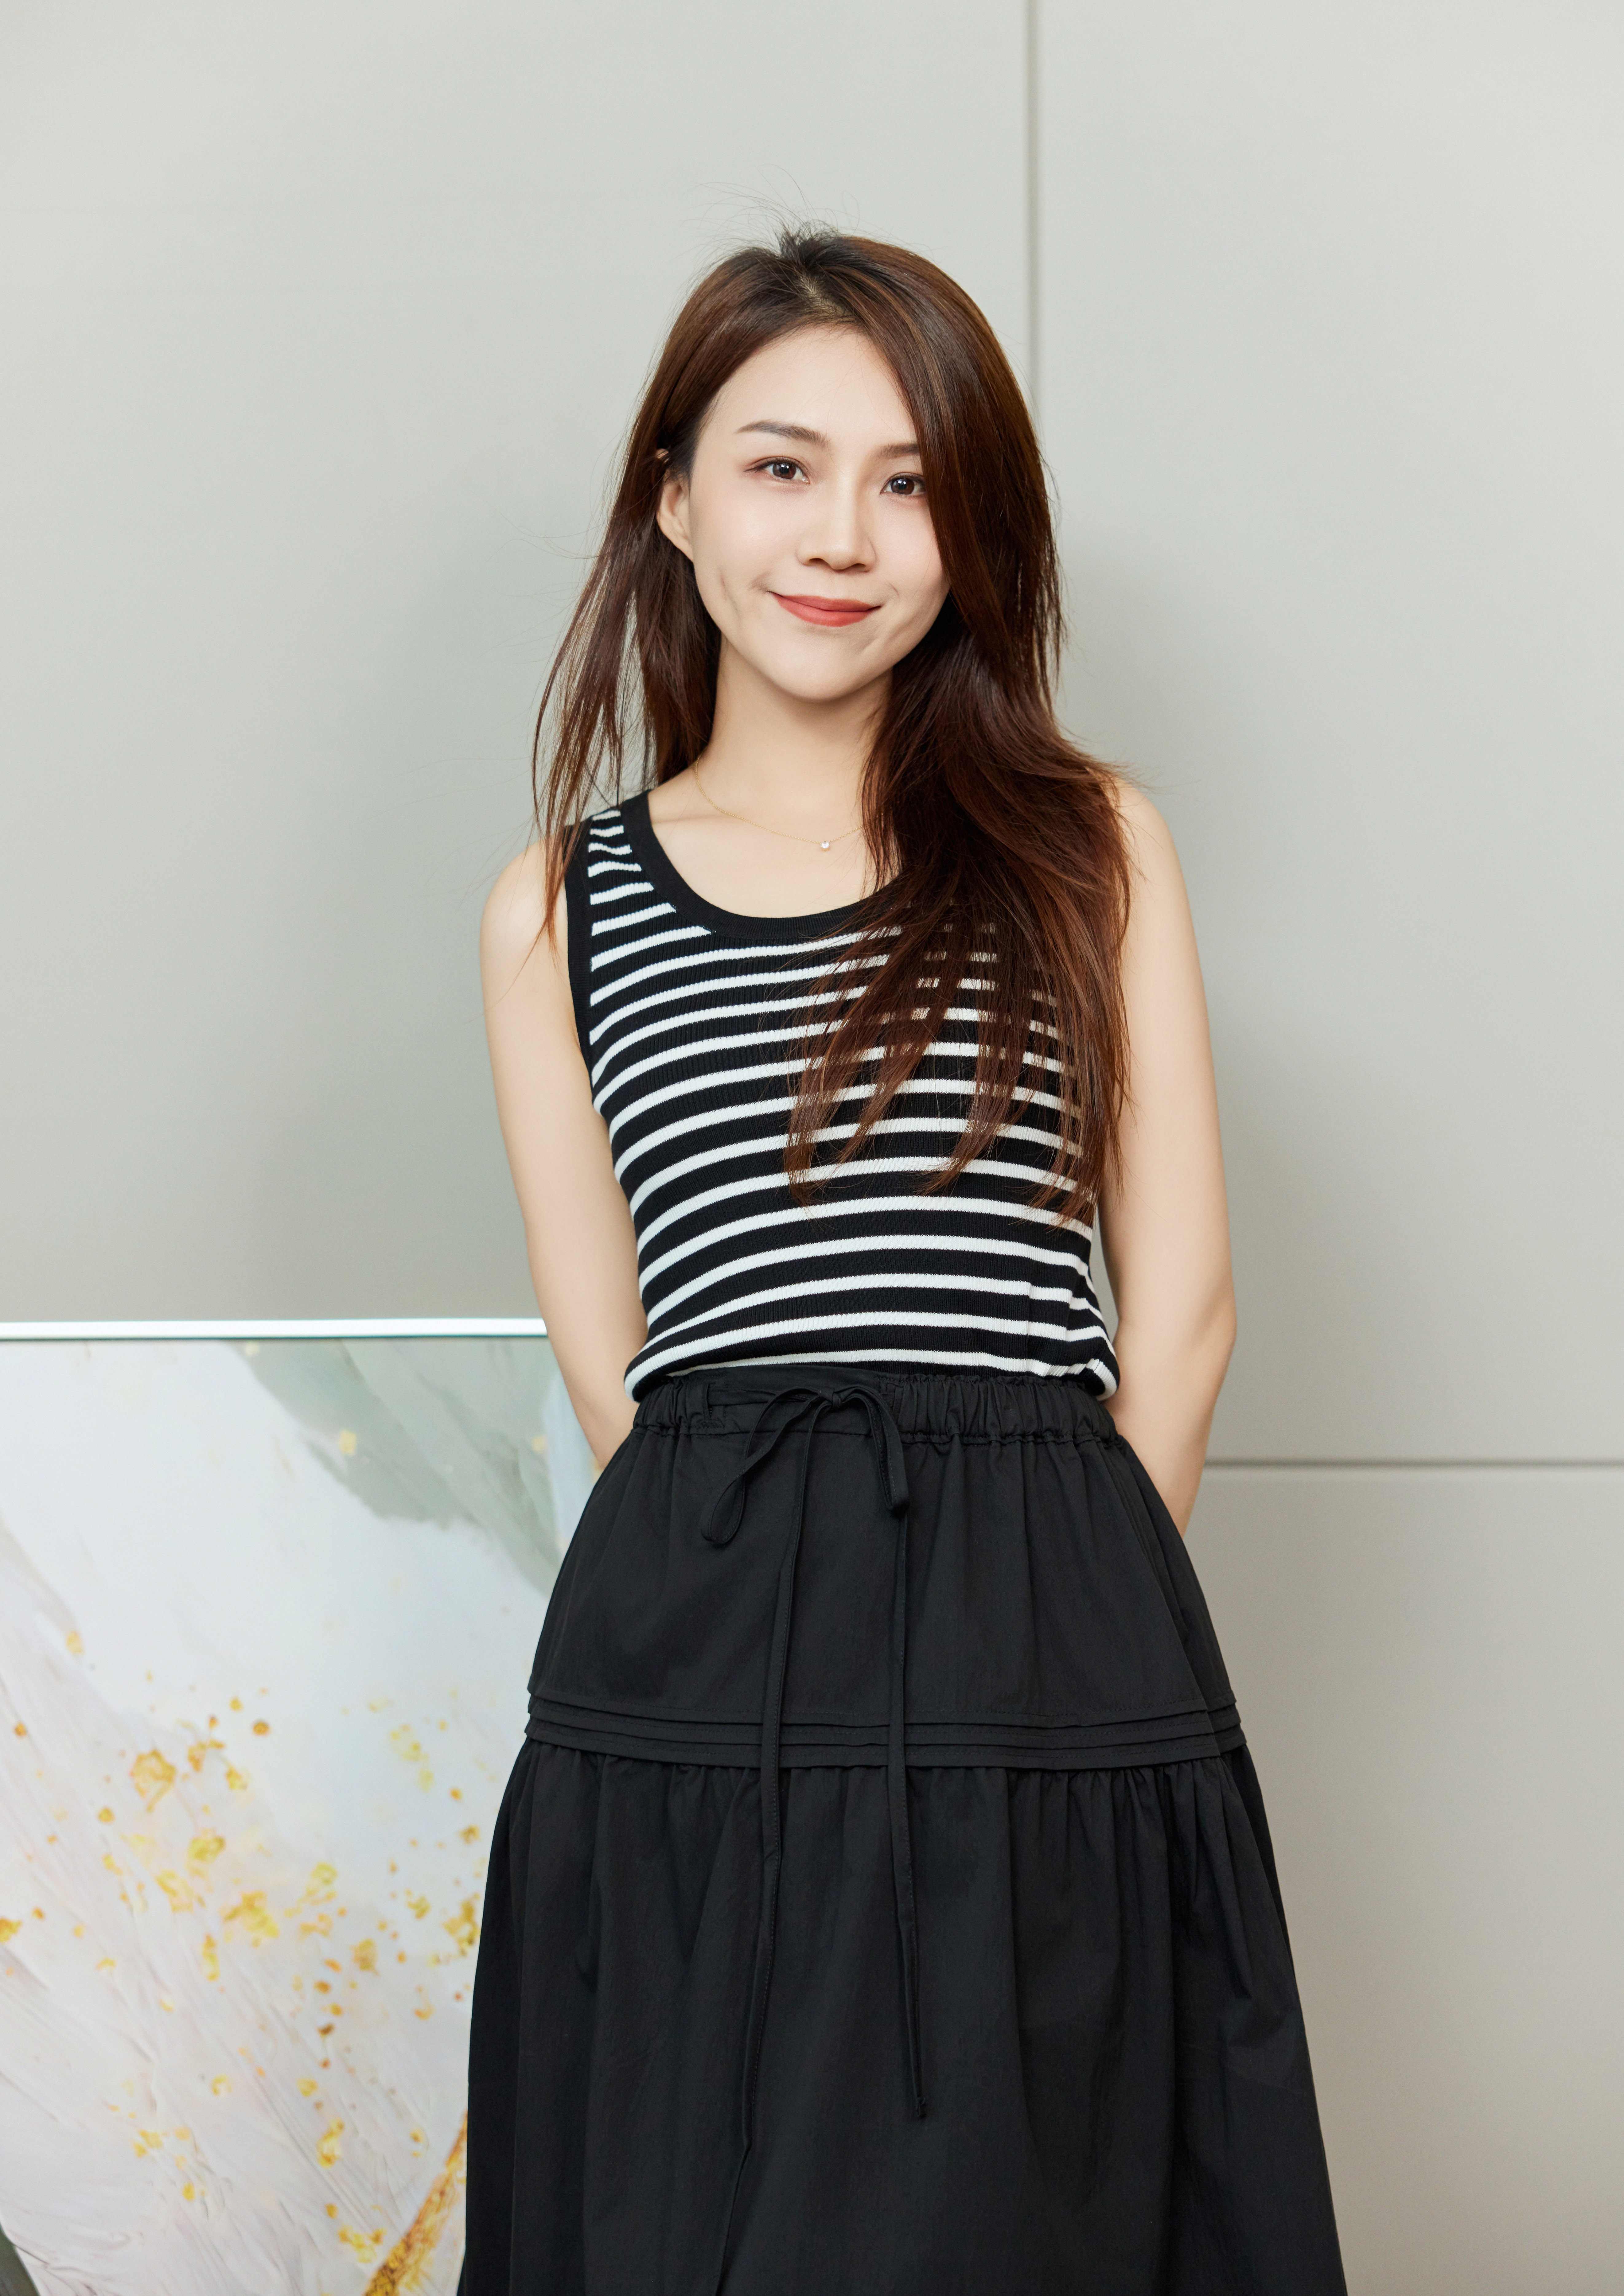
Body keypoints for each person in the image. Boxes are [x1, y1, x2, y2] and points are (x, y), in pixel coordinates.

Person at [461, 227, 1346, 2295]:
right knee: (678, 2218)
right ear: (676, 500)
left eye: (911, 480)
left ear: (976, 529)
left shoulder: (1087, 843)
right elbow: (616, 1363)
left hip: (1044, 1634)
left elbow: (1184, 1316)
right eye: (781, 467)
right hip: (693, 1662)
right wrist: (782, 1612)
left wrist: (1032, 1638)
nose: (842, 537)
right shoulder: (556, 908)